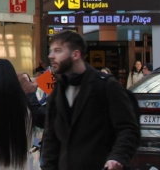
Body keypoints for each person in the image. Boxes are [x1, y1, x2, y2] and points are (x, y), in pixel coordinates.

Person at [40, 31, 140, 170]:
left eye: (58, 51)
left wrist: (117, 156)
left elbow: (128, 128)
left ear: (76, 54)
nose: (51, 56)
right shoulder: (57, 92)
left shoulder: (106, 86)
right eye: (51, 51)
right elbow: (51, 140)